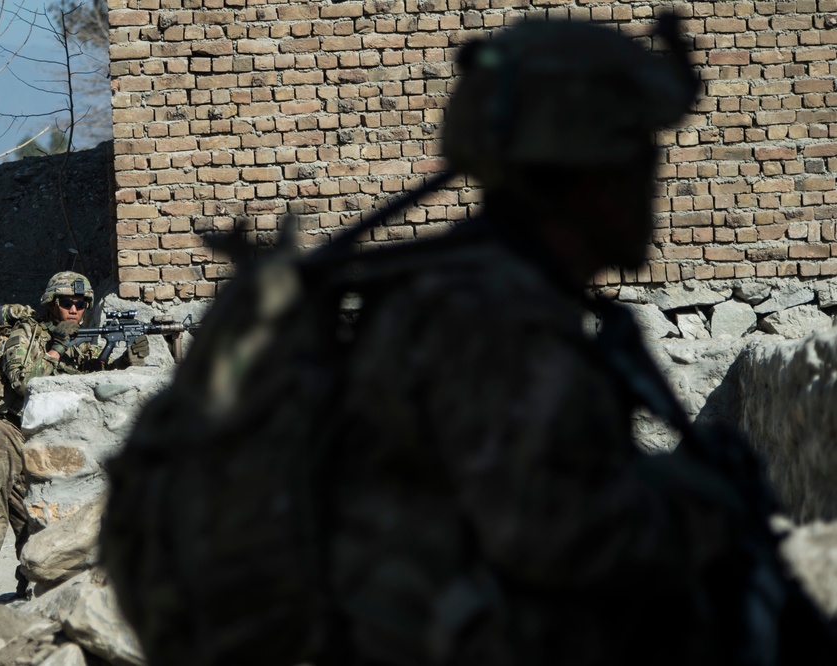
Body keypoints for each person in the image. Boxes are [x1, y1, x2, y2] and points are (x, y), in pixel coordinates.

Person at [103, 15, 833, 666]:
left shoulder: (462, 286)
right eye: (637, 153)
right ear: (585, 171)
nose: (652, 176)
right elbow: (550, 538)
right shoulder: (492, 315)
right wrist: (705, 502)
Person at [0, 271, 149, 610]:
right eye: (66, 303)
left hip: (40, 438)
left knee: (34, 517)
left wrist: (125, 361)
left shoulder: (80, 340)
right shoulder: (25, 333)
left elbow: (92, 382)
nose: (74, 310)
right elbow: (23, 381)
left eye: (80, 304)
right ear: (51, 303)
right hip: (2, 430)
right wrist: (59, 345)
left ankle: (28, 585)